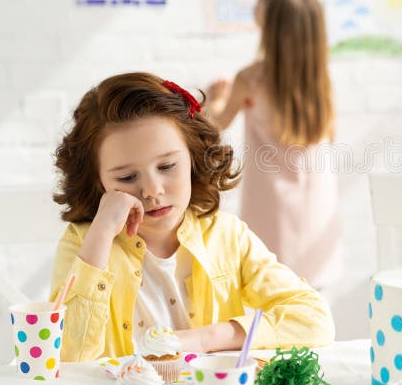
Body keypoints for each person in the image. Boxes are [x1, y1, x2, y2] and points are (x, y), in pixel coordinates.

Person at [50, 72, 335, 362]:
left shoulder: (227, 237)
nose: (152, 191)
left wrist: (208, 338)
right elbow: (68, 356)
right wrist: (99, 237)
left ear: (193, 157)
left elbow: (315, 319)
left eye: (167, 165)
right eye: (126, 177)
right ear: (98, 181)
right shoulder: (84, 243)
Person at [206, 0, 342, 290]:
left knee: (268, 287)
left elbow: (217, 122)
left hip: (270, 203)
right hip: (317, 203)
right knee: (312, 294)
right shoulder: (319, 80)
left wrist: (217, 99)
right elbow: (330, 134)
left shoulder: (251, 80)